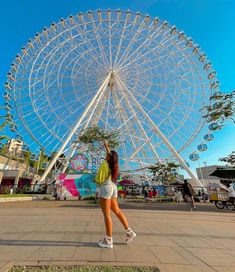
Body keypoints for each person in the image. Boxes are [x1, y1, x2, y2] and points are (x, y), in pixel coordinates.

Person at [95, 140, 136, 248]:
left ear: (108, 158)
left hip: (106, 187)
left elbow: (99, 178)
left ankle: (108, 240)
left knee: (107, 214)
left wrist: (95, 181)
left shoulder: (104, 164)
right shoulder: (115, 165)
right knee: (117, 211)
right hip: (113, 187)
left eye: (107, 155)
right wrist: (106, 146)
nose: (106, 156)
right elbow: (110, 155)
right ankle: (129, 231)